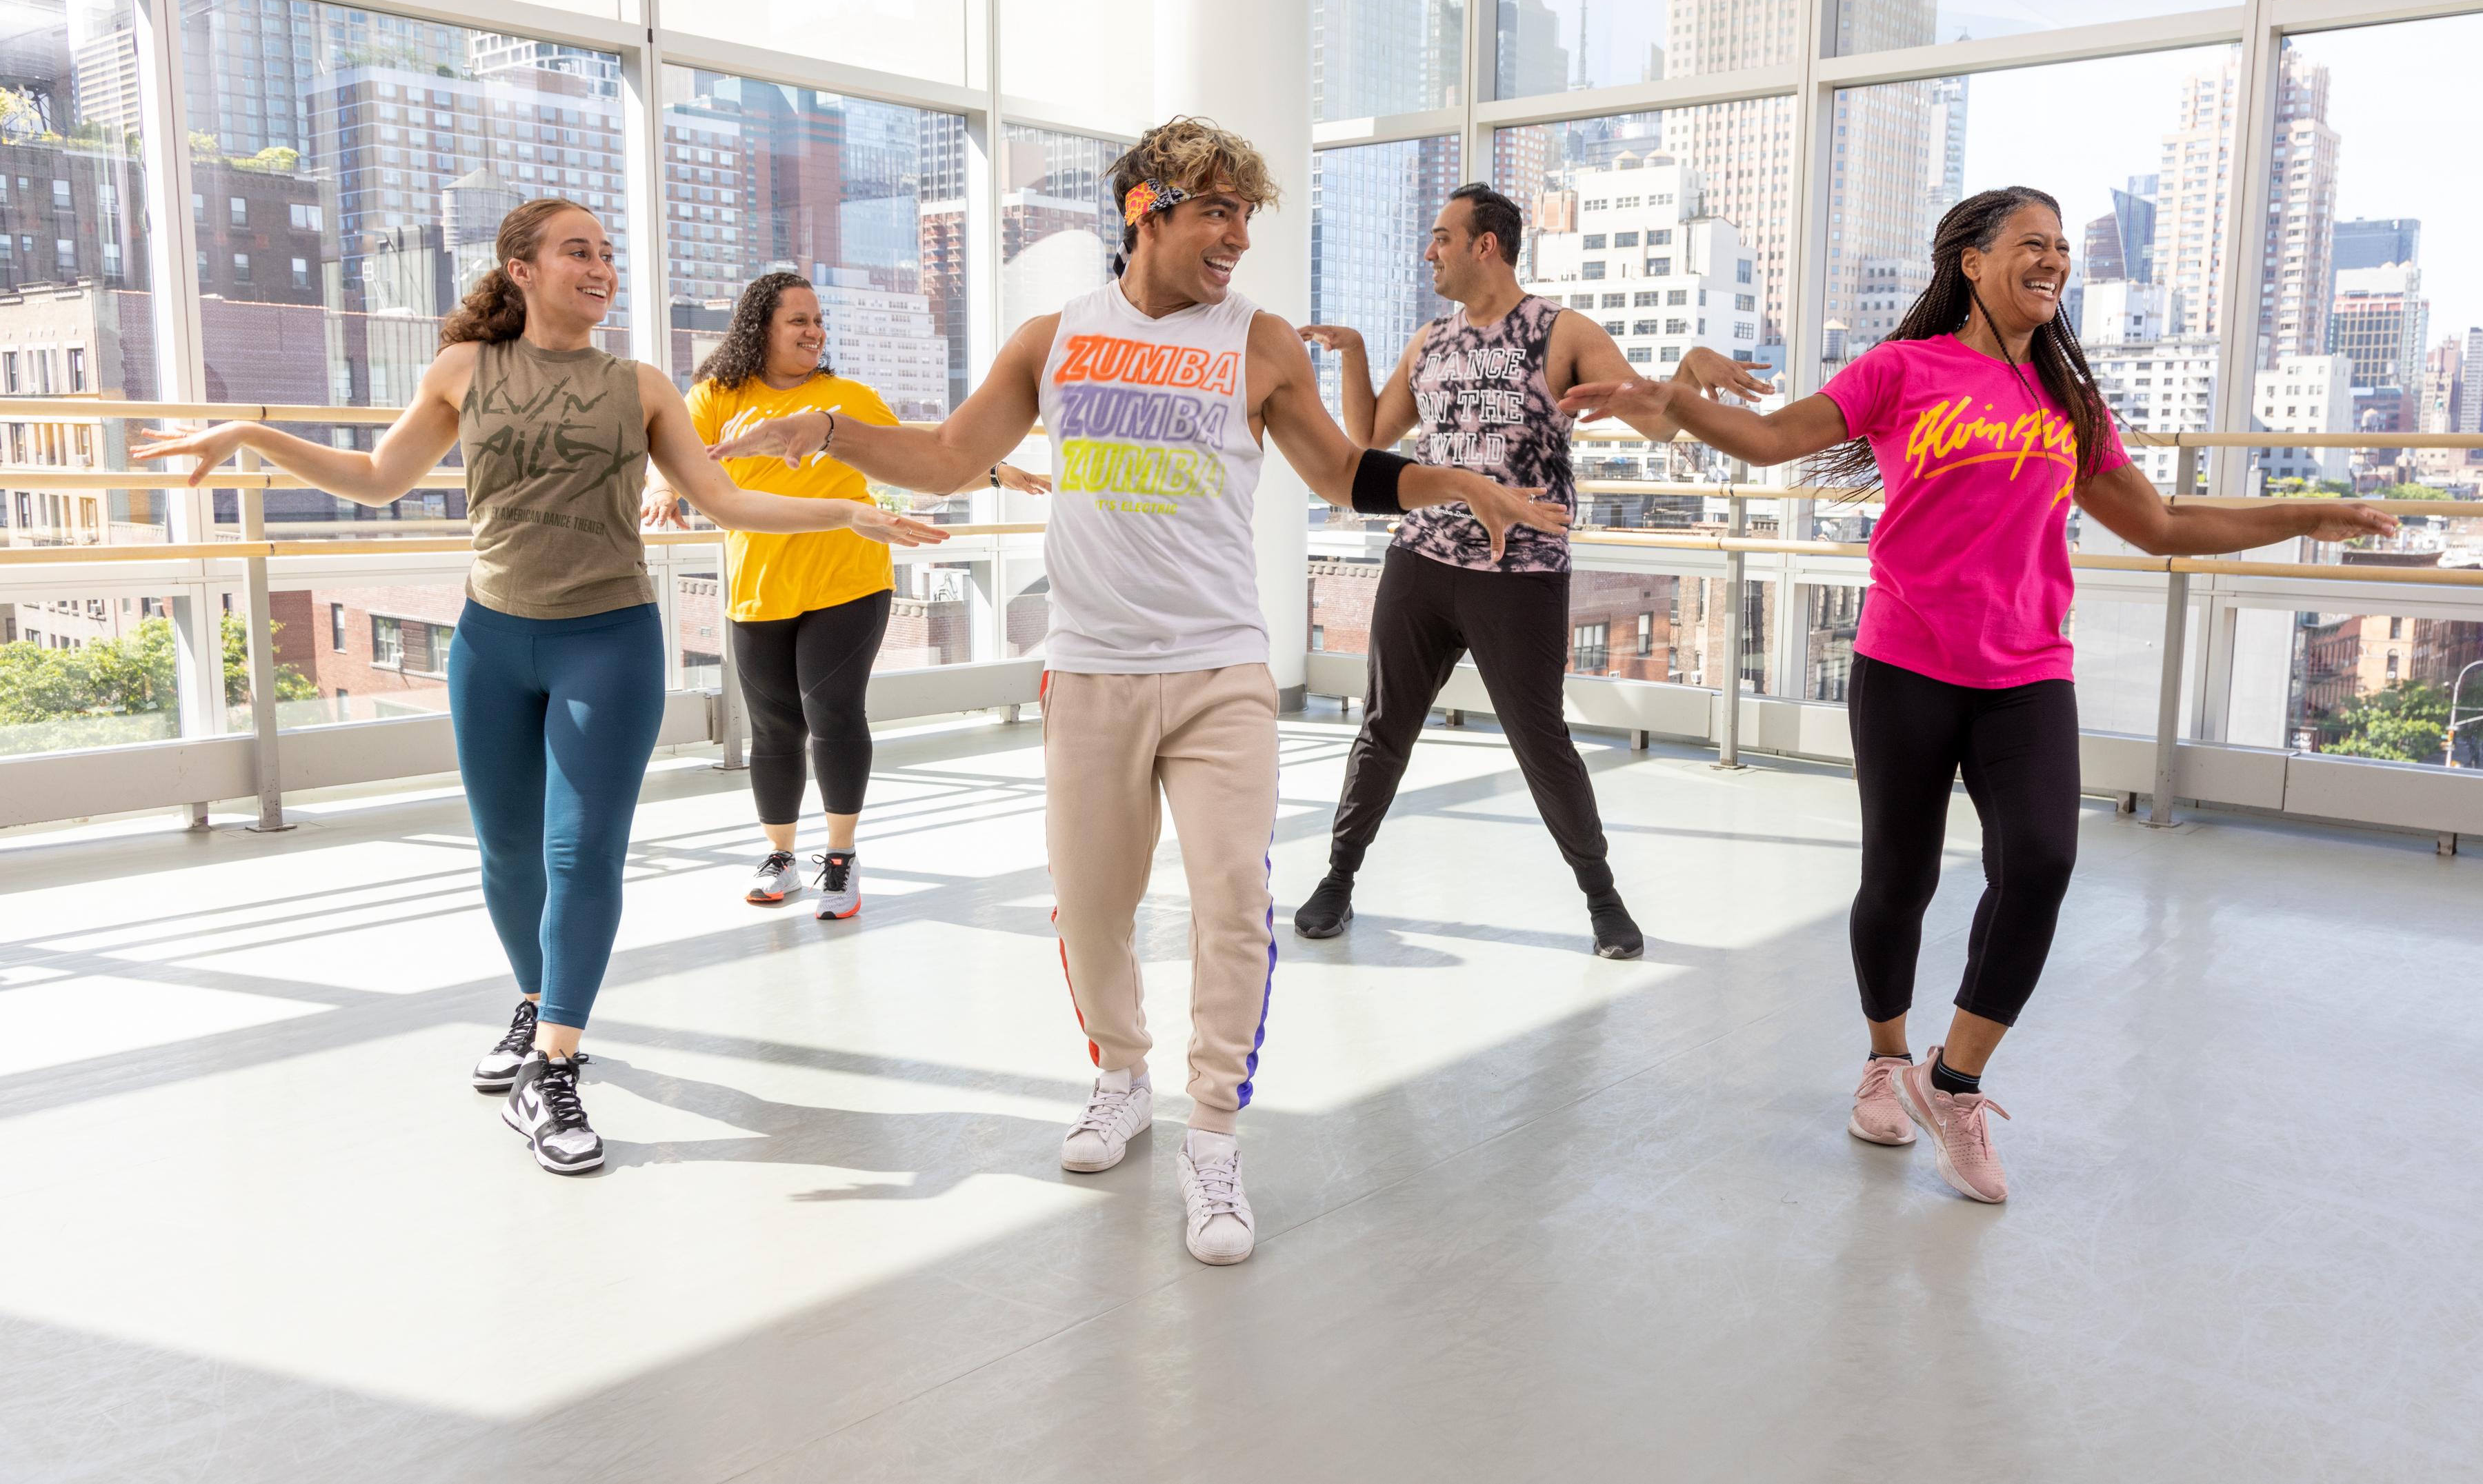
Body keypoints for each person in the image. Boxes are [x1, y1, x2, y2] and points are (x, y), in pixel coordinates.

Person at [704, 117, 1567, 1264]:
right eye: (1217, 210)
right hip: (1093, 669)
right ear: (1143, 209)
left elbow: (1335, 467)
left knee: (1228, 900)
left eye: (1246, 215)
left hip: (1220, 670)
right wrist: (825, 428)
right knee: (1093, 906)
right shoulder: (1052, 340)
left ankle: (1215, 1137)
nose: (1237, 237)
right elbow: (953, 454)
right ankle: (1121, 1076)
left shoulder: (1259, 342)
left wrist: (1446, 482)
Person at [1561, 185, 2395, 1204]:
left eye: (2059, 249)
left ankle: (1951, 1082)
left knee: (2041, 859)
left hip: (2027, 672)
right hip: (1906, 662)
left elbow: (2165, 525)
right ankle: (1883, 1058)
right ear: (1973, 261)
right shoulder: (1902, 370)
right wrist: (1677, 405)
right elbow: (1777, 441)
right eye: (2031, 245)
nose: (2052, 261)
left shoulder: (2070, 405)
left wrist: (2306, 513)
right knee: (1898, 881)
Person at [133, 200, 947, 1175]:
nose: (601, 266)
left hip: (607, 639)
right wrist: (250, 436)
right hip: (490, 640)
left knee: (580, 850)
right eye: (579, 252)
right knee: (507, 852)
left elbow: (722, 498)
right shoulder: (463, 370)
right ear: (520, 268)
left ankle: (554, 1064)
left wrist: (848, 514)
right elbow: (379, 476)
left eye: (608, 253)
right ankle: (535, 1001)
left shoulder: (640, 386)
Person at [1294, 183, 1772, 959]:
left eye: (1443, 237)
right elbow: (1370, 434)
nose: (1430, 252)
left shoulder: (1563, 332)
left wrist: (1684, 370)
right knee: (1384, 729)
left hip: (1520, 571)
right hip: (1422, 557)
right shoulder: (1429, 343)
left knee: (1541, 739)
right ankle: (1339, 879)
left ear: (1488, 244)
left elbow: (1651, 419)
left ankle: (1603, 898)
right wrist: (1353, 353)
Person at [644, 270, 1050, 918]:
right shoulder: (716, 394)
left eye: (818, 319)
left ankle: (840, 857)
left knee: (831, 712)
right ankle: (780, 856)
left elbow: (921, 460)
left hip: (850, 580)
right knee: (774, 728)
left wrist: (998, 472)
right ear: (761, 328)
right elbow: (677, 459)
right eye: (798, 320)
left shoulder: (846, 396)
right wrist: (665, 494)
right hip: (759, 588)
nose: (814, 332)